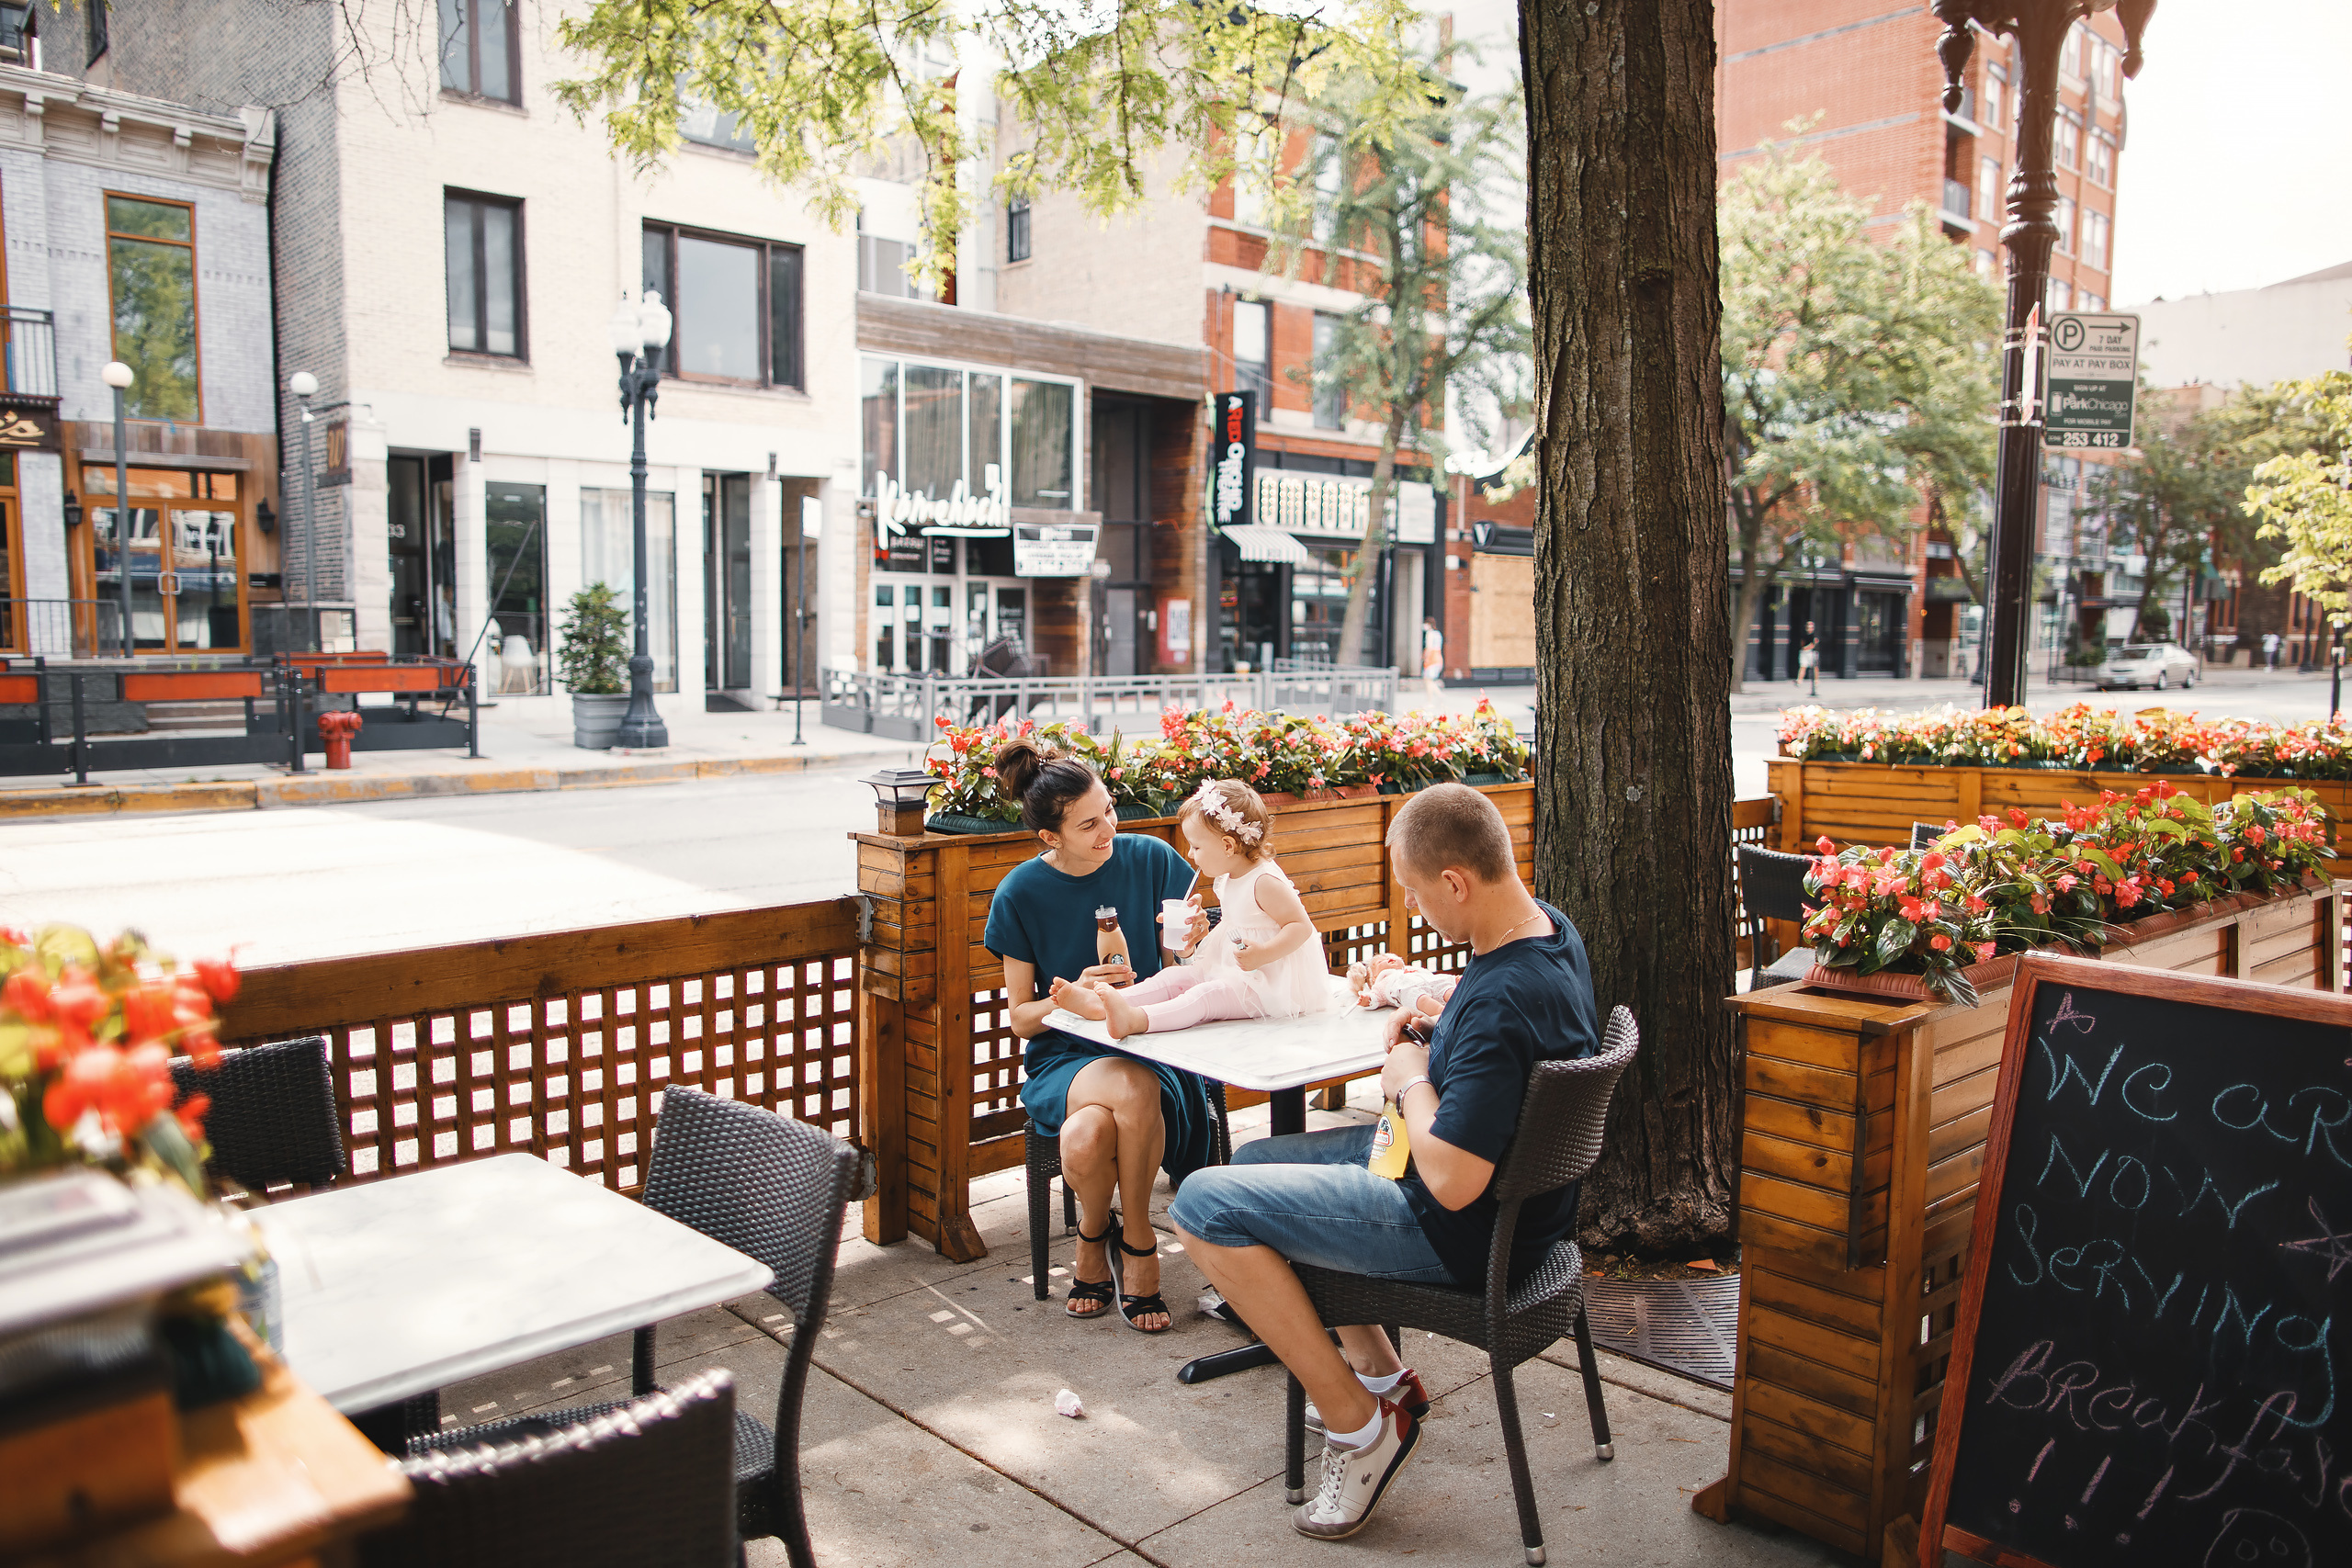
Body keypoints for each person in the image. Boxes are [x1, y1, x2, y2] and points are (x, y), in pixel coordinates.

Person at [1169, 784, 1601, 1542]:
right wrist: (1437, 1027)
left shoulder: (1503, 999)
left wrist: (1409, 1079)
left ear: (1457, 882)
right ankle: (1381, 1374)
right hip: (1522, 1214)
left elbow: (1453, 1177)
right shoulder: (1548, 934)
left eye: (1414, 891)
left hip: (1460, 1228)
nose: (1414, 906)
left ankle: (1363, 1426)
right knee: (1264, 1156)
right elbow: (1500, 1051)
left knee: (1204, 1203)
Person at [981, 739, 1210, 1334]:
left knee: (1088, 1132)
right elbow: (1019, 1018)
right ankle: (1137, 1242)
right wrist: (1072, 993)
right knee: (1125, 1093)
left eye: (1108, 809)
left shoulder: (1152, 859)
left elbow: (1198, 954)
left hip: (1151, 1040)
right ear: (1050, 838)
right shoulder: (1020, 893)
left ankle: (1094, 1237)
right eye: (1089, 823)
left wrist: (1192, 942)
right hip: (1066, 1056)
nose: (1108, 826)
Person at [1052, 780, 1332, 1040]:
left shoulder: (1264, 882)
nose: (1189, 854)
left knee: (1205, 997)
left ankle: (1136, 1019)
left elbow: (1300, 926)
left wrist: (1263, 954)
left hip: (1271, 984)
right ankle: (1097, 1002)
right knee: (1174, 976)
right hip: (1235, 971)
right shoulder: (1230, 875)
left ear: (1227, 846)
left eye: (1196, 846)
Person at [1420, 617, 1444, 692]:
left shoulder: (1430, 634)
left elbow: (1429, 647)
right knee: (1430, 680)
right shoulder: (1438, 634)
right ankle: (1439, 697)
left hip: (1431, 658)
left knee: (1428, 681)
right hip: (1438, 657)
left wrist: (1424, 657)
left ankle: (1433, 699)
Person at [1798, 620, 1820, 696]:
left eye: (1811, 627)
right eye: (1808, 627)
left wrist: (1806, 648)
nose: (1810, 629)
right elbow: (1802, 643)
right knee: (1803, 666)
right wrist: (1804, 648)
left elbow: (1813, 644)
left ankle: (1816, 681)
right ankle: (1799, 681)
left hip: (1811, 652)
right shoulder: (1804, 635)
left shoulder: (1814, 635)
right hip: (1804, 653)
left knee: (1814, 667)